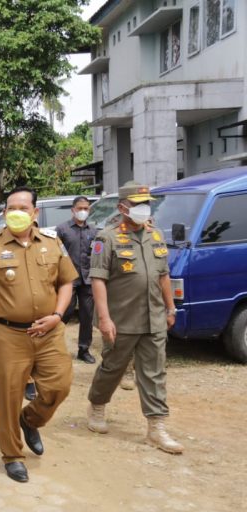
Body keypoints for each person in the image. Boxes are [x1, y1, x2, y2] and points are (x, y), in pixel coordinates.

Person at [0, 186, 77, 483]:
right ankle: (12, 454)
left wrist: (57, 315)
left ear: (35, 213)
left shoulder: (52, 243)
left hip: (48, 331)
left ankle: (30, 420)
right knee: (8, 397)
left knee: (59, 385)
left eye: (23, 208)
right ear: (4, 213)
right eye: (10, 208)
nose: (16, 213)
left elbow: (67, 283)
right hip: (5, 334)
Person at [86, 182, 184, 454]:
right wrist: (105, 319)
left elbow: (163, 274)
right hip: (122, 319)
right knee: (113, 368)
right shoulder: (107, 238)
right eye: (138, 204)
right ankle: (97, 405)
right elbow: (98, 281)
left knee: (154, 372)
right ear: (122, 208)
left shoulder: (156, 235)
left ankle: (156, 427)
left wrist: (170, 307)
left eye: (147, 204)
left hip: (153, 317)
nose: (144, 209)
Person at [56, 196, 99, 364]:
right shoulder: (62, 229)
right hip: (69, 280)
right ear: (73, 210)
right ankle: (55, 346)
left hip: (87, 279)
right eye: (80, 208)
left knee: (87, 315)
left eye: (86, 208)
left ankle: (84, 349)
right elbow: (56, 254)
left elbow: (96, 253)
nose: (83, 211)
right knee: (63, 313)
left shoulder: (94, 231)